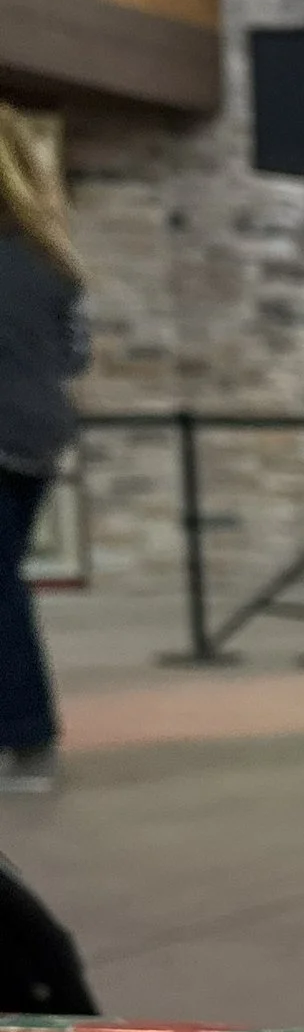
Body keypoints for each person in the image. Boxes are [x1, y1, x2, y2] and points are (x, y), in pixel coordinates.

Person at [0, 118, 88, 795]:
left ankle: (30, 737)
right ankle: (25, 739)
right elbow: (74, 356)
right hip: (37, 439)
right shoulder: (51, 260)